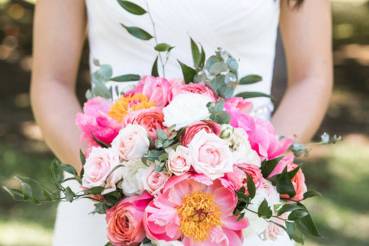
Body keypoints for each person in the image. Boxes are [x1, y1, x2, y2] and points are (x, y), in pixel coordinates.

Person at [30, 0, 332, 245]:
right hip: (108, 204)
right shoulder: (110, 186)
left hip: (242, 210)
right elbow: (51, 81)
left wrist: (253, 175)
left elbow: (311, 78)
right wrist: (116, 180)